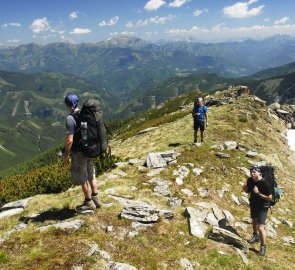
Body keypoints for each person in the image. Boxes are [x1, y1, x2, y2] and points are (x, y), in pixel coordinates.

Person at [63, 93, 101, 212]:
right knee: (91, 174)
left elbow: (70, 140)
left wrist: (66, 155)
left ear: (68, 105)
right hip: (89, 149)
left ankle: (88, 202)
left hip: (79, 153)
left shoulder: (70, 118)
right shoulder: (85, 114)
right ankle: (96, 199)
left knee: (83, 178)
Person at [242, 165, 272, 256]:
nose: (252, 173)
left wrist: (258, 193)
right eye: (251, 171)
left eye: (254, 172)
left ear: (259, 173)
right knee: (254, 221)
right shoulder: (250, 180)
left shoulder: (265, 183)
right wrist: (244, 187)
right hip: (254, 204)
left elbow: (269, 198)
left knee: (260, 227)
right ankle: (256, 236)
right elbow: (247, 191)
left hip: (263, 206)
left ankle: (263, 247)